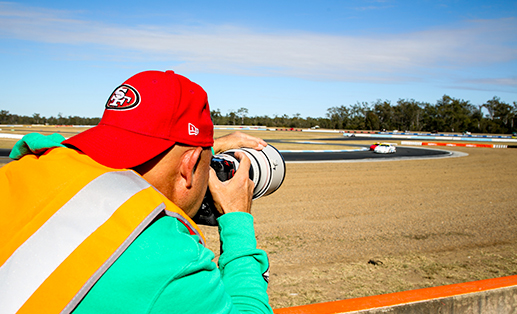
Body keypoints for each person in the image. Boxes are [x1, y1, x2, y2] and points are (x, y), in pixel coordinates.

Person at [0, 70, 273, 314]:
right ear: (189, 169)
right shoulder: (169, 260)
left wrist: (205, 150)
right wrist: (237, 222)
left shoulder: (34, 163)